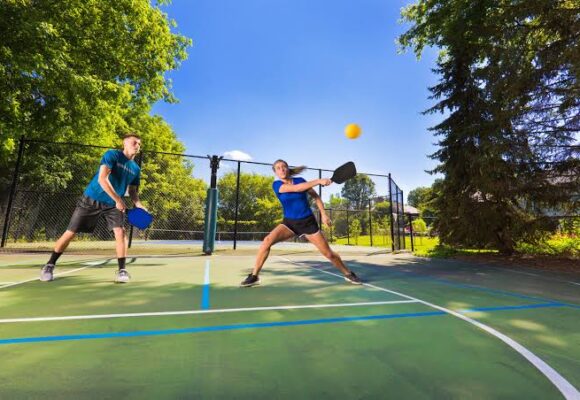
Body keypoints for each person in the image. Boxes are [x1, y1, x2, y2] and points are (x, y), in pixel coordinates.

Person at [40, 133, 145, 283]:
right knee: (70, 233)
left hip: (113, 205)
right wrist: (118, 199)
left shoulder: (135, 169)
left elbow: (133, 191)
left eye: (139, 144)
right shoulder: (112, 155)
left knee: (120, 233)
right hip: (92, 199)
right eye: (134, 143)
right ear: (125, 143)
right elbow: (102, 179)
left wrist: (139, 205)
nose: (137, 146)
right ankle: (49, 265)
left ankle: (122, 271)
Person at [240, 159, 362, 287]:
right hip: (289, 223)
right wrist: (319, 181)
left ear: (287, 169)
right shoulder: (276, 185)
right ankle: (254, 276)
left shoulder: (301, 180)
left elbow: (316, 197)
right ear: (275, 172)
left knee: (328, 254)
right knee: (267, 241)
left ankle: (348, 273)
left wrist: (323, 214)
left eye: (283, 167)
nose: (281, 169)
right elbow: (297, 189)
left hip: (308, 222)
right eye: (278, 168)